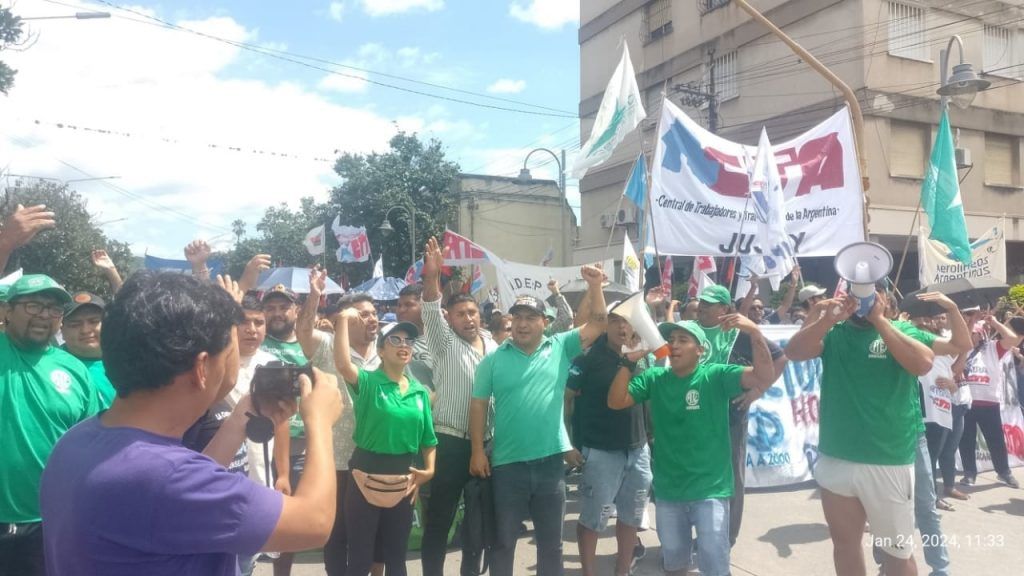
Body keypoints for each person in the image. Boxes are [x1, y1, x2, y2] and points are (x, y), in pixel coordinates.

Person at [40, 271, 343, 575]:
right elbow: (313, 523)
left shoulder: (76, 442)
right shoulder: (165, 478)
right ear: (201, 368)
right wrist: (319, 421)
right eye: (227, 354)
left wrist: (241, 417)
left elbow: (176, 495)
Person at [786, 289, 969, 576]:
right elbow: (794, 351)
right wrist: (826, 318)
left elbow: (923, 363)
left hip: (889, 460)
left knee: (897, 553)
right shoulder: (834, 333)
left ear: (884, 299)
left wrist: (880, 321)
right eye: (856, 289)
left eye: (872, 290)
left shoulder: (902, 329)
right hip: (837, 457)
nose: (863, 297)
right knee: (845, 546)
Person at [470, 264, 608, 576]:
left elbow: (599, 324)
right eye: (517, 317)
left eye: (531, 317)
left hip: (550, 465)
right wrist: (477, 450)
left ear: (544, 323)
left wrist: (596, 286)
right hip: (507, 465)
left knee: (551, 545)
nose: (522, 324)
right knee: (503, 543)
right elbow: (478, 405)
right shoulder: (493, 359)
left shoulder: (560, 346)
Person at [608, 318, 774, 576]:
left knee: (715, 567)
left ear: (700, 350)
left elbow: (764, 376)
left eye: (683, 340)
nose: (674, 345)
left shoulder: (716, 375)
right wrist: (627, 362)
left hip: (711, 490)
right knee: (675, 566)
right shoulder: (654, 377)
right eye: (671, 340)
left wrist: (754, 332)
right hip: (669, 491)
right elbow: (616, 401)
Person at [1, 271, 99, 576]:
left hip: (52, 522)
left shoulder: (74, 369)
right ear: (7, 310)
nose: (44, 315)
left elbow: (91, 442)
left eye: (54, 308)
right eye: (33, 305)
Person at [334, 305, 437, 576]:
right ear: (380, 350)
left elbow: (428, 439)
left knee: (396, 559)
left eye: (408, 341)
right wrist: (343, 320)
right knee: (360, 559)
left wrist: (429, 470)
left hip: (404, 481)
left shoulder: (419, 392)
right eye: (395, 340)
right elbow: (343, 364)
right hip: (364, 477)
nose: (403, 345)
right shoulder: (368, 382)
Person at [418, 237, 499, 576]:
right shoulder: (443, 341)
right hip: (450, 443)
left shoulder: (493, 344)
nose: (468, 318)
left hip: (488, 444)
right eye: (460, 314)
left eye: (472, 312)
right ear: (449, 319)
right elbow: (430, 307)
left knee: (480, 521)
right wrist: (432, 276)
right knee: (440, 519)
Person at [299, 280, 382, 576]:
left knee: (373, 536)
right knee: (336, 535)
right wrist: (314, 297)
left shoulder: (386, 351)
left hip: (375, 458)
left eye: (373, 313)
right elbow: (303, 331)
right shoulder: (327, 344)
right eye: (362, 314)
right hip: (336, 459)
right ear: (344, 319)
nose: (371, 319)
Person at [564, 305, 652, 576]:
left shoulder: (642, 356)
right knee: (594, 519)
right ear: (605, 324)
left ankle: (622, 570)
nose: (622, 327)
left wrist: (650, 436)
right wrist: (567, 443)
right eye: (615, 321)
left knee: (631, 517)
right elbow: (565, 400)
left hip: (638, 449)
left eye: (627, 321)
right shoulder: (586, 357)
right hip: (600, 450)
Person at [958, 311, 1022, 489]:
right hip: (967, 402)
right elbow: (962, 339)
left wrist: (994, 322)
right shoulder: (962, 350)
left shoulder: (993, 348)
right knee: (966, 439)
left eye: (975, 333)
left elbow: (1012, 338)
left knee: (996, 440)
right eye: (970, 332)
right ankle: (969, 473)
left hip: (989, 402)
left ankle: (1004, 472)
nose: (971, 335)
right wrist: (971, 322)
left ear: (981, 335)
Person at [60, 291, 116, 406]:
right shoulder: (53, 366)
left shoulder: (129, 359)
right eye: (75, 325)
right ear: (62, 331)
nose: (85, 330)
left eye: (94, 321)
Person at [397, 283, 434, 390]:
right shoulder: (389, 341)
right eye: (399, 305)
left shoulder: (440, 342)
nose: (401, 310)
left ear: (424, 307)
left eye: (408, 305)